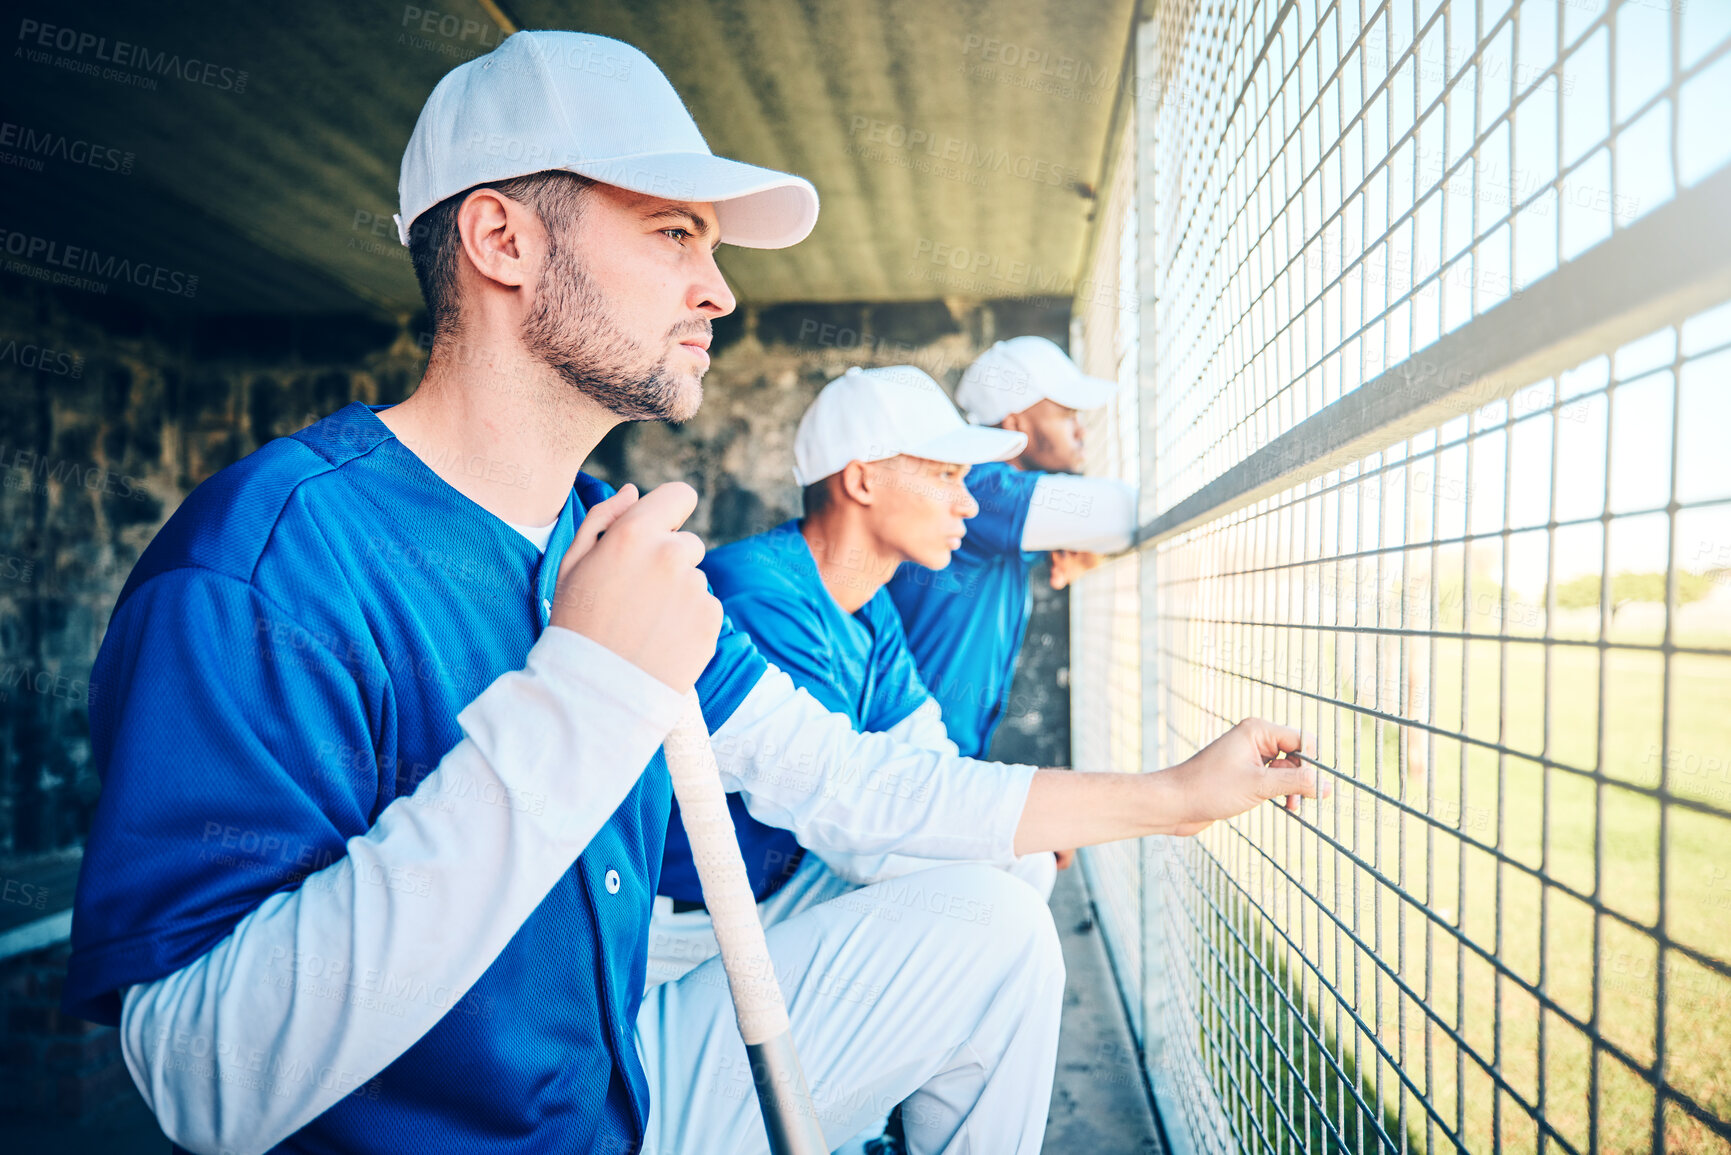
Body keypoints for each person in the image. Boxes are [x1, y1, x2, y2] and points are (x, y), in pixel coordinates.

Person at [62, 30, 1326, 1155]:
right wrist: (583, 696)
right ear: (501, 239)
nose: (718, 290)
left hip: (627, 1082)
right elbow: (195, 1079)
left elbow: (851, 781)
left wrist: (1169, 798)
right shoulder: (268, 559)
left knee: (994, 934)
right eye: (674, 232)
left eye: (711, 249)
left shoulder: (600, 541)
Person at [652, 365, 1059, 997]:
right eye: (946, 474)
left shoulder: (871, 601)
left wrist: (1026, 827)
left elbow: (926, 754)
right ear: (862, 480)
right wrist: (1024, 825)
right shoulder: (758, 588)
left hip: (791, 880)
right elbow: (855, 830)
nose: (969, 503)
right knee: (998, 880)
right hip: (695, 934)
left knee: (1020, 865)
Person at [887, 335, 1139, 759]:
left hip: (938, 747)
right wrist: (1096, 540)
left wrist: (1087, 549)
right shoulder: (980, 486)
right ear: (1017, 423)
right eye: (1065, 415)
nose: (1081, 431)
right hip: (910, 752)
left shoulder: (1000, 504)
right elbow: (1125, 513)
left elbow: (1084, 539)